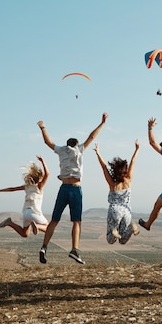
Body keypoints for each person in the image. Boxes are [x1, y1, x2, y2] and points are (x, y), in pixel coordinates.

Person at [37, 112, 108, 265]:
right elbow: (92, 136)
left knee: (54, 220)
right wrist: (102, 123)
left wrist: (43, 127)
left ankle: (44, 247)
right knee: (77, 222)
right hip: (75, 189)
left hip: (63, 188)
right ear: (76, 144)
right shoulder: (79, 149)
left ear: (66, 144)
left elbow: (48, 142)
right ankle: (74, 250)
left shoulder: (61, 151)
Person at [0, 155, 50, 237]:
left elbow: (12, 189)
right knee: (49, 228)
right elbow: (47, 174)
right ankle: (37, 226)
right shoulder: (39, 186)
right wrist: (43, 161)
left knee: (25, 234)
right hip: (34, 212)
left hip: (26, 212)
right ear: (39, 178)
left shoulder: (26, 187)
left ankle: (10, 223)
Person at [93, 140, 140, 244]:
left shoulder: (112, 184)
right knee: (123, 240)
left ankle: (113, 231)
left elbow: (104, 167)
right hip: (127, 211)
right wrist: (137, 149)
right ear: (125, 170)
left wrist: (98, 153)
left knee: (110, 240)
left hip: (115, 210)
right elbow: (133, 161)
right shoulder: (128, 180)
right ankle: (131, 228)